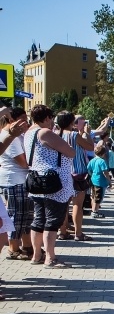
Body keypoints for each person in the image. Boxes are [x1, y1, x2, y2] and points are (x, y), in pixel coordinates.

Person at [23, 105, 75, 268]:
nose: (52, 121)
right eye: (51, 118)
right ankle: (50, 258)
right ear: (45, 118)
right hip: (53, 184)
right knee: (52, 222)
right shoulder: (44, 132)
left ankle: (37, 255)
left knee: (38, 220)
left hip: (36, 181)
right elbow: (70, 152)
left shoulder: (28, 133)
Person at [56, 111, 95, 241]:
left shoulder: (56, 134)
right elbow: (90, 147)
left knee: (63, 204)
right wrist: (86, 133)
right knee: (77, 204)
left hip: (61, 172)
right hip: (77, 173)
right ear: (71, 122)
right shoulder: (74, 135)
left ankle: (62, 231)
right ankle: (78, 233)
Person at [0, 108, 33, 260]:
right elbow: (22, 162)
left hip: (20, 181)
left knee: (26, 216)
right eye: (22, 119)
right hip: (12, 181)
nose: (25, 122)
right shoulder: (9, 136)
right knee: (16, 217)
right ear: (11, 120)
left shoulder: (17, 136)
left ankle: (27, 247)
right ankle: (13, 249)